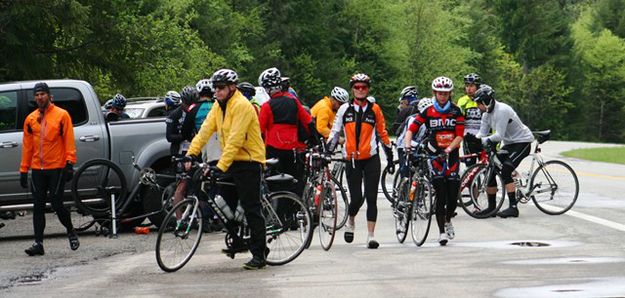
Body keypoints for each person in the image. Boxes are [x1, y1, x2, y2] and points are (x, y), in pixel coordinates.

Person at [185, 68, 267, 270]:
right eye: (215, 88)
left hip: (249, 160)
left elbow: (235, 140)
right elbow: (204, 131)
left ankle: (260, 254)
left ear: (232, 87)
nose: (217, 91)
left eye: (221, 88)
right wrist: (191, 153)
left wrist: (220, 167)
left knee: (251, 207)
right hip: (231, 160)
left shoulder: (242, 105)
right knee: (224, 203)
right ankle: (238, 239)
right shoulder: (218, 106)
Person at [327, 73, 394, 249]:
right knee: (357, 198)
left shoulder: (375, 109)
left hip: (371, 158)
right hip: (352, 159)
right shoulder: (344, 110)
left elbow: (382, 132)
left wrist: (390, 156)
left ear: (368, 89)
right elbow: (335, 132)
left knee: (372, 197)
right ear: (352, 89)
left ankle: (371, 235)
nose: (360, 90)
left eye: (364, 87)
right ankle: (351, 220)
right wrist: (328, 150)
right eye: (357, 87)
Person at [19, 82, 80, 256]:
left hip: (57, 168)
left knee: (56, 203)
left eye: (42, 94)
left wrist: (70, 163)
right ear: (34, 97)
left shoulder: (62, 115)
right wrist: (24, 169)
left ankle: (70, 231)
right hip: (38, 169)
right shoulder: (30, 119)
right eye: (37, 95)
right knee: (37, 206)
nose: (39, 97)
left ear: (49, 96)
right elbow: (27, 147)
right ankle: (38, 243)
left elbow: (69, 140)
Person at [404, 76, 464, 246]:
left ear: (450, 93)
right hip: (434, 156)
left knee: (452, 196)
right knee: (441, 194)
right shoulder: (428, 111)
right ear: (434, 93)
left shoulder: (456, 111)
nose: (442, 96)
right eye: (439, 93)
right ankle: (442, 232)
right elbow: (411, 129)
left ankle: (448, 219)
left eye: (445, 93)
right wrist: (408, 146)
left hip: (451, 155)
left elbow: (460, 135)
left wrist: (449, 149)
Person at [473, 84, 534, 218]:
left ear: (486, 101)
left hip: (522, 141)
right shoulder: (486, 115)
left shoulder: (502, 110)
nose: (477, 107)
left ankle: (513, 207)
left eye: (478, 103)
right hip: (509, 143)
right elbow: (482, 133)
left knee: (506, 170)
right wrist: (473, 139)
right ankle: (491, 208)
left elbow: (499, 136)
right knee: (491, 169)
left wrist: (483, 140)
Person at [258, 67, 318, 197]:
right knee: (291, 182)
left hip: (273, 150)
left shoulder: (266, 106)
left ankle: (277, 212)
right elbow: (308, 122)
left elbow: (259, 131)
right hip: (292, 149)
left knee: (273, 183)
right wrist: (314, 140)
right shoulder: (294, 102)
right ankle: (292, 211)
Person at [396, 97, 434, 178]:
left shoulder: (430, 120)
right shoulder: (413, 119)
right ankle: (403, 187)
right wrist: (420, 145)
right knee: (406, 172)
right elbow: (409, 138)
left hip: (417, 144)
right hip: (404, 144)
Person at [457, 73, 484, 166]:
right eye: (467, 86)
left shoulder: (484, 99)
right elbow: (458, 119)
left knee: (485, 166)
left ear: (477, 87)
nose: (468, 88)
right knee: (470, 168)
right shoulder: (462, 100)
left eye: (471, 86)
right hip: (469, 139)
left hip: (483, 139)